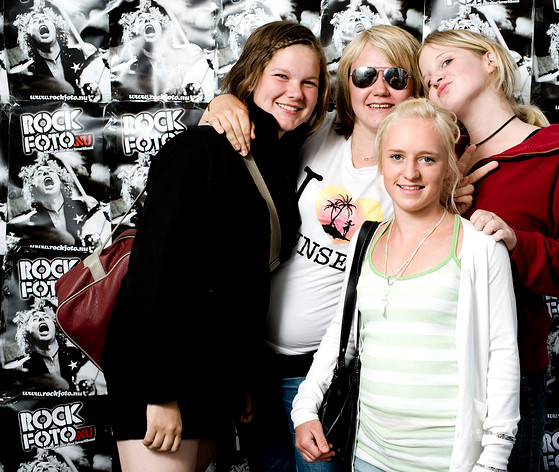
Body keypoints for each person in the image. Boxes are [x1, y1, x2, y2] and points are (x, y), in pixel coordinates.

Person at [201, 25, 491, 471]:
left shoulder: (414, 173)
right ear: (346, 84)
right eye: (365, 76)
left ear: (414, 87)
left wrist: (450, 198)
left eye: (396, 77)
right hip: (255, 363)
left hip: (327, 375)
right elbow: (251, 124)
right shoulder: (309, 134)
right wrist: (223, 103)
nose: (380, 89)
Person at [101, 21, 330, 472]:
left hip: (216, 373)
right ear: (251, 77)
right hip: (163, 371)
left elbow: (245, 285)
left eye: (310, 82)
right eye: (281, 76)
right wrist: (159, 393)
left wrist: (243, 378)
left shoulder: (279, 164)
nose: (296, 92)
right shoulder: (201, 147)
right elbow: (153, 273)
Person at [292, 97, 519, 472]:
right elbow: (341, 334)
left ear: (448, 168)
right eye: (397, 156)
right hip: (368, 455)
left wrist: (492, 462)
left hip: (447, 461)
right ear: (381, 164)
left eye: (427, 159)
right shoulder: (365, 239)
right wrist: (304, 407)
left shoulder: (480, 247)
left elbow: (503, 358)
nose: (410, 172)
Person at [419, 29, 559, 472]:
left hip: (508, 373)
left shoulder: (557, 153)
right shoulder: (439, 158)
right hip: (432, 364)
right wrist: (441, 208)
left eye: (446, 62)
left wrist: (517, 242)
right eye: (426, 77)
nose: (435, 79)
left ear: (490, 60)